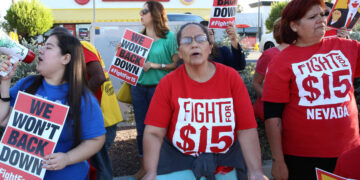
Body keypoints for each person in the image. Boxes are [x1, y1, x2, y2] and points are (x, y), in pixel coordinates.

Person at [142, 22, 267, 180]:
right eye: (187, 41)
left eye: (200, 39)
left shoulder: (230, 78)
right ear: (179, 52)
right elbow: (153, 133)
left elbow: (246, 129)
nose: (194, 44)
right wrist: (151, 172)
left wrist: (255, 171)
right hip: (179, 162)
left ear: (209, 47)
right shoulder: (168, 83)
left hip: (227, 162)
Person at [262, 0, 360, 179]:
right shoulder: (281, 61)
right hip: (303, 157)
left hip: (350, 151)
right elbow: (272, 115)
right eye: (313, 17)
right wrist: (278, 160)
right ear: (294, 25)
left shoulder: (348, 47)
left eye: (322, 14)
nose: (321, 20)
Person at [0, 32, 106, 179]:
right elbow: (3, 120)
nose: (40, 50)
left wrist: (67, 158)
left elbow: (96, 140)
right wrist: (5, 82)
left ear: (66, 58)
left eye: (48, 47)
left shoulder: (82, 97)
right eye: (43, 46)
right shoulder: (27, 84)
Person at [51, 27, 123, 180]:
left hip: (102, 118)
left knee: (100, 165)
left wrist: (76, 102)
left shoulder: (80, 47)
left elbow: (98, 77)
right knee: (97, 163)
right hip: (100, 116)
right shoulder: (77, 49)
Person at [130, 1, 179, 179]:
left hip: (160, 89)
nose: (140, 14)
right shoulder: (137, 38)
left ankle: (163, 167)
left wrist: (155, 65)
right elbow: (130, 64)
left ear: (156, 14)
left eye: (144, 11)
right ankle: (145, 167)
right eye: (141, 11)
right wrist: (123, 53)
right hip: (138, 88)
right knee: (142, 130)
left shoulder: (169, 37)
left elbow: (176, 64)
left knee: (162, 128)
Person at [252, 18, 288, 121]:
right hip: (273, 114)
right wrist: (271, 101)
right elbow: (255, 83)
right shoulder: (269, 55)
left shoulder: (302, 53)